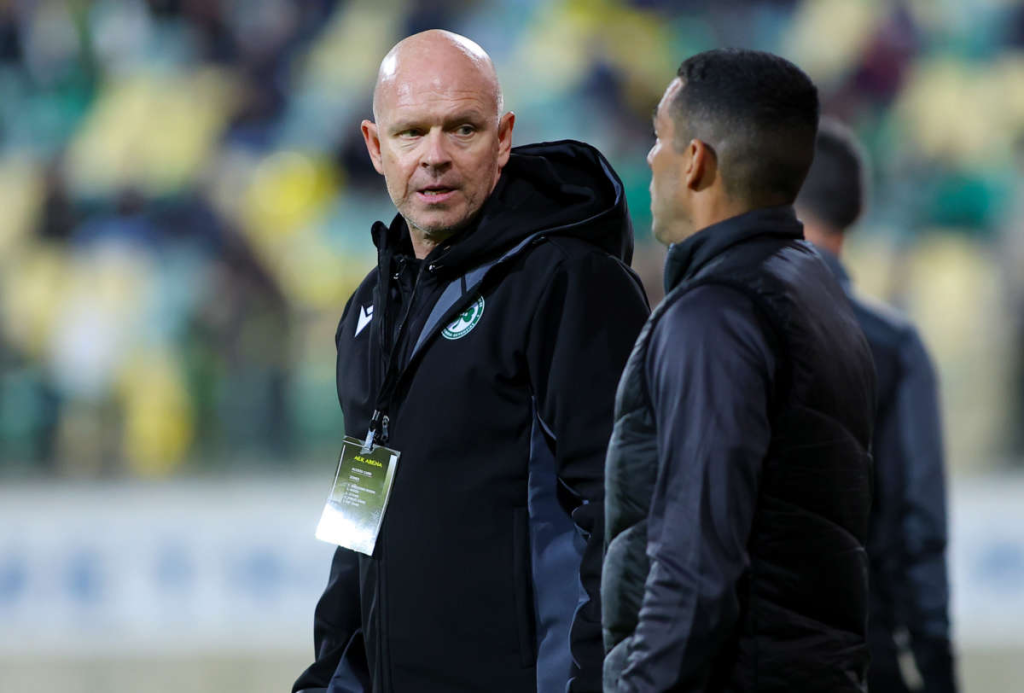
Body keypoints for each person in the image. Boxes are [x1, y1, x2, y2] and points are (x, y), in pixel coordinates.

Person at [293, 30, 650, 693]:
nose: (435, 156)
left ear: (503, 137)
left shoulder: (568, 283)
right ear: (375, 146)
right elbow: (356, 525)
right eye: (411, 133)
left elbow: (627, 516)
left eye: (462, 129)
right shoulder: (370, 309)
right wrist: (329, 679)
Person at [602, 49, 877, 692]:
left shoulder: (714, 316)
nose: (650, 159)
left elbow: (694, 569)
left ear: (696, 161)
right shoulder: (815, 291)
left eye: (659, 139)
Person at [796, 118, 957, 693]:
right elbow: (920, 521)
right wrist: (936, 663)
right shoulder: (893, 345)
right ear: (857, 211)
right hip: (865, 647)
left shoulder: (709, 324)